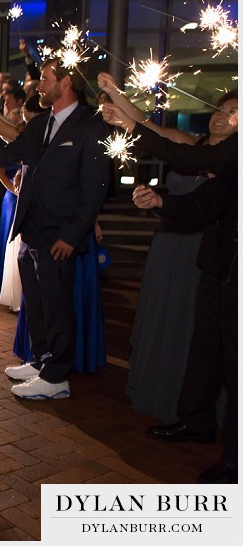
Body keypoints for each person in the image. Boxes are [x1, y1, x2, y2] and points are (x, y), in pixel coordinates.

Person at [0, 59, 109, 400]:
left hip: (60, 234)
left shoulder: (90, 127)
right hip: (32, 229)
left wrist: (72, 234)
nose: (39, 85)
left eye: (46, 79)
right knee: (36, 303)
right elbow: (6, 154)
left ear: (67, 82)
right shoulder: (41, 123)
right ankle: (41, 360)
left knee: (57, 305)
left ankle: (57, 378)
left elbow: (95, 188)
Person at [101, 81, 238, 424]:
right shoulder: (192, 145)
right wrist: (116, 93)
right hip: (170, 245)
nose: (222, 117)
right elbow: (149, 128)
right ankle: (172, 399)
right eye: (221, 109)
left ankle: (200, 411)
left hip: (204, 252)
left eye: (233, 112)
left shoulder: (227, 161)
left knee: (196, 329)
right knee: (169, 318)